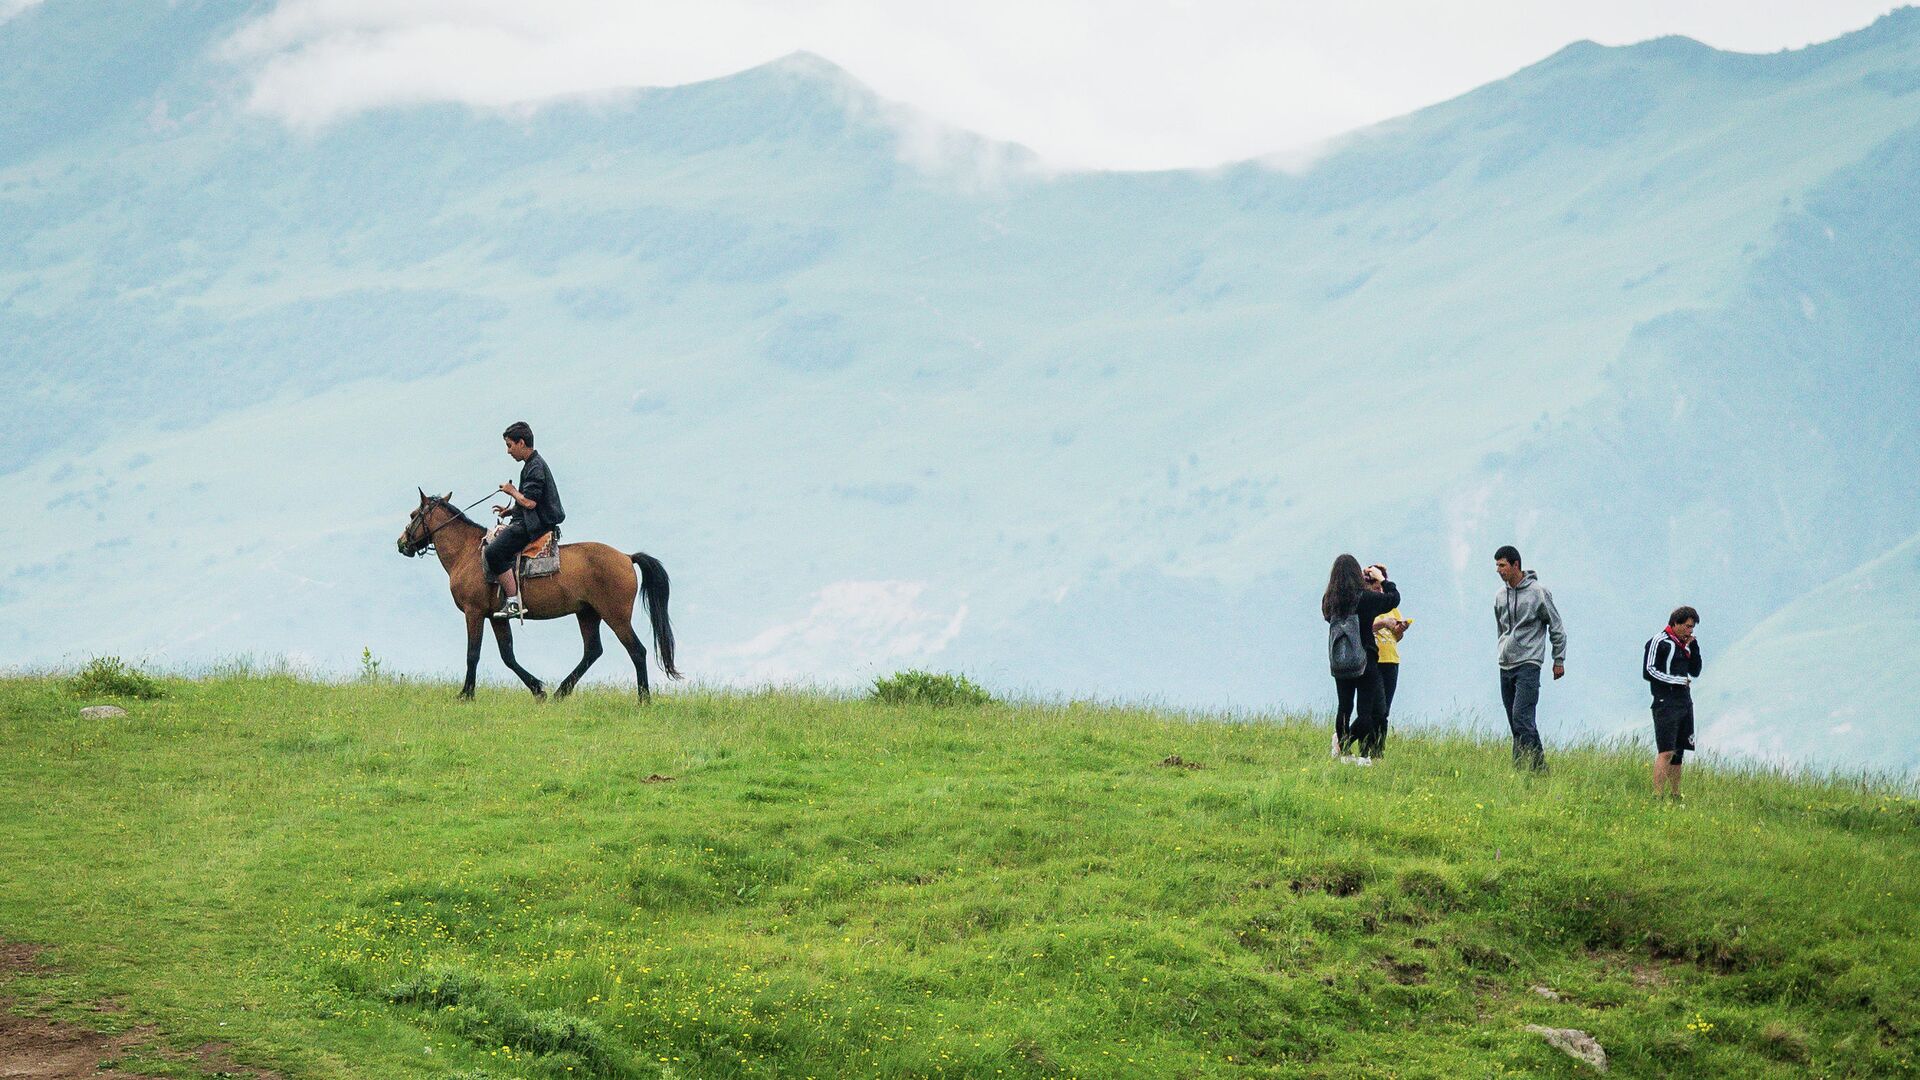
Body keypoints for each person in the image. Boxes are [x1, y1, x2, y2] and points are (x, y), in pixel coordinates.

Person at [1322, 555, 1401, 764]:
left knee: (1344, 706)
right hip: (1365, 658)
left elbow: (1328, 617)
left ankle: (1344, 755)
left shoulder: (1330, 601)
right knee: (1366, 710)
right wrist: (1382, 580)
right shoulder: (1364, 599)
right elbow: (1393, 599)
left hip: (1340, 659)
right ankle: (1344, 745)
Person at [1493, 545, 1565, 771]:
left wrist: (1558, 659)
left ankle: (1539, 769)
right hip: (1505, 664)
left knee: (1521, 717)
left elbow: (1556, 626)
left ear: (1516, 565)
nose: (1498, 570)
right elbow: (1501, 628)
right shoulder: (1500, 595)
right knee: (1515, 722)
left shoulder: (1538, 592)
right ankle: (1521, 770)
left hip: (1529, 663)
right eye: (1496, 565)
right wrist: (1502, 650)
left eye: (1502, 565)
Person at [485, 421, 565, 619]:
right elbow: (527, 503)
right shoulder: (530, 465)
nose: (508, 451)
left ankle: (513, 602)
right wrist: (510, 511)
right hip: (527, 520)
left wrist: (512, 492)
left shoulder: (535, 467)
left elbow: (530, 503)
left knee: (493, 552)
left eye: (509, 445)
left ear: (521, 443)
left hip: (533, 527)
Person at [1644, 606, 1703, 801]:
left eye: (1692, 628)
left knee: (1679, 752)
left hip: (1685, 702)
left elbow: (1695, 671)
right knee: (1666, 750)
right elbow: (1649, 671)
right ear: (1676, 623)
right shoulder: (1659, 642)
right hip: (1665, 702)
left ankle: (1676, 794)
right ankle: (1657, 795)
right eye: (1687, 627)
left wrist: (1693, 647)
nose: (1690, 631)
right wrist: (1676, 681)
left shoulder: (1684, 645)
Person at [1367, 564, 1412, 727]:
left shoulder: (1391, 608)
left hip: (1391, 661)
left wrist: (1400, 630)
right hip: (1374, 661)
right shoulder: (1366, 605)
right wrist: (1383, 623)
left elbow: (1396, 637)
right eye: (1376, 587)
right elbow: (1363, 627)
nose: (1379, 591)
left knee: (1385, 709)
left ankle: (1378, 748)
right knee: (1373, 708)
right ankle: (1349, 739)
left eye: (1381, 588)